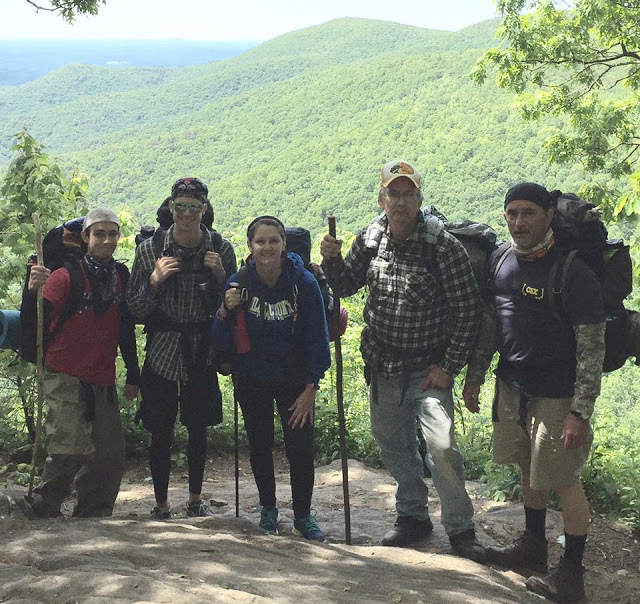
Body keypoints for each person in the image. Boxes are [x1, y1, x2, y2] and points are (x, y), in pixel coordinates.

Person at [320, 160, 485, 561]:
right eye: (393, 193)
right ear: (382, 198)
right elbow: (344, 285)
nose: (400, 202)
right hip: (383, 364)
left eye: (408, 194)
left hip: (428, 368)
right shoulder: (371, 239)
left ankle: (461, 528)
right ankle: (412, 516)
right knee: (393, 446)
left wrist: (448, 367)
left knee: (441, 446)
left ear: (420, 199)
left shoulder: (442, 246)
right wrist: (330, 260)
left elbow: (469, 311)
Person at [462, 182, 606, 602]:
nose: (519, 222)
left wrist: (581, 410)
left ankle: (572, 576)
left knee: (564, 481)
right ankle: (532, 547)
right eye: (512, 213)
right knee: (526, 468)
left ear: (548, 216)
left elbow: (592, 347)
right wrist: (475, 374)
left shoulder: (572, 270)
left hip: (558, 396)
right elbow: (492, 324)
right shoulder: (502, 260)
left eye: (528, 213)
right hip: (512, 387)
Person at [213, 216, 331, 541]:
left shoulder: (302, 283)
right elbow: (219, 339)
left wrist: (311, 387)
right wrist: (224, 309)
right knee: (260, 446)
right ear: (250, 246)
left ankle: (303, 515)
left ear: (283, 244)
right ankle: (268, 509)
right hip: (252, 378)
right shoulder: (239, 282)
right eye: (260, 241)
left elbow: (317, 339)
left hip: (294, 380)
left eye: (273, 241)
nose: (267, 247)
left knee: (300, 448)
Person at [127, 177, 237, 519]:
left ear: (204, 209)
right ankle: (161, 504)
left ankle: (194, 499)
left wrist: (221, 277)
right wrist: (154, 281)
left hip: (202, 348)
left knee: (198, 427)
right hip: (162, 346)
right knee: (160, 429)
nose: (187, 214)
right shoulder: (149, 250)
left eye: (194, 207)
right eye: (181, 206)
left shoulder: (221, 249)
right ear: (170, 207)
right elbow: (134, 309)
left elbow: (233, 306)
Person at [26, 208, 140, 518]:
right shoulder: (65, 276)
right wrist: (32, 289)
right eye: (99, 234)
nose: (106, 240)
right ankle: (45, 508)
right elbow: (35, 321)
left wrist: (133, 372)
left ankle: (93, 513)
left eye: (112, 233)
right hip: (63, 370)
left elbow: (124, 327)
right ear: (86, 237)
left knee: (109, 453)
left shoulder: (119, 276)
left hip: (100, 373)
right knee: (68, 446)